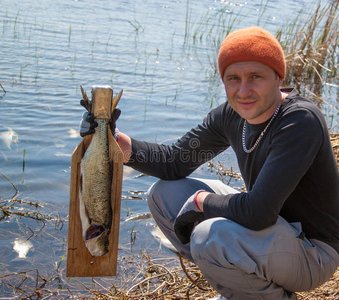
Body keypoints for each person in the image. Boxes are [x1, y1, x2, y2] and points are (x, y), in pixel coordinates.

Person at [80, 26, 339, 299]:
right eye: (233, 78)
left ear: (278, 77)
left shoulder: (299, 121)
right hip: (270, 234)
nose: (244, 90)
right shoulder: (232, 115)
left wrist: (202, 201)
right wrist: (114, 139)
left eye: (256, 77)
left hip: (312, 252)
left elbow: (258, 212)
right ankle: (241, 283)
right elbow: (174, 162)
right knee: (163, 194)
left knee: (208, 236)